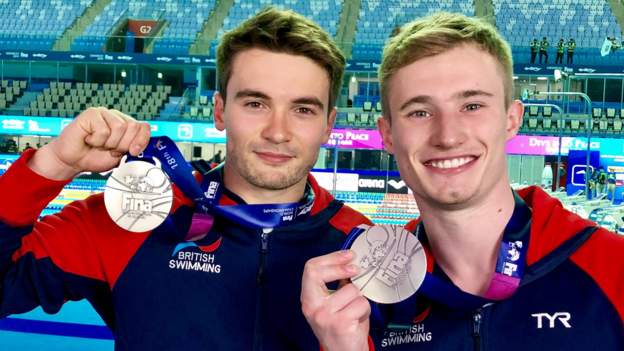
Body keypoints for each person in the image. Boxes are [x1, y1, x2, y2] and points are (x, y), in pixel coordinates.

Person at [0, 7, 370, 351]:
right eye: (255, 104)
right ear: (220, 111)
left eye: (303, 109)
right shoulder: (134, 215)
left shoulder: (363, 248)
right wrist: (52, 165)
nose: (278, 132)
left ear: (328, 126)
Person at [301, 12, 624, 351]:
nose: (448, 136)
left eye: (471, 105)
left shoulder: (612, 271)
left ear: (512, 120)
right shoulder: (365, 306)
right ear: (388, 135)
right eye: (419, 112)